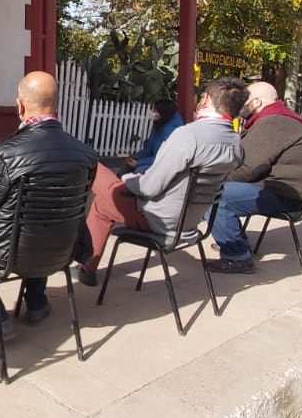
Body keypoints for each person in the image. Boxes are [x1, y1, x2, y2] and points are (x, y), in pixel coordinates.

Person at [0, 71, 97, 345]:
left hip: (11, 253)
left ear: (20, 106)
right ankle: (36, 303)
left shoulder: (4, 153)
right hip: (62, 250)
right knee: (44, 224)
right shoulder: (84, 154)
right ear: (56, 105)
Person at [74, 78, 246, 286]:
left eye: (201, 97)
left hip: (158, 218)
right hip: (189, 222)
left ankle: (86, 264)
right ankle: (86, 264)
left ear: (207, 100)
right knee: (106, 195)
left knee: (97, 179)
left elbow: (148, 188)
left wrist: (129, 178)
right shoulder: (236, 143)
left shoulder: (187, 136)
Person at [209, 81, 302, 274]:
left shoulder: (273, 121)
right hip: (293, 190)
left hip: (288, 194)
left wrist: (214, 179)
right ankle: (236, 244)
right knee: (219, 191)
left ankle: (237, 257)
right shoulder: (278, 118)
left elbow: (247, 169)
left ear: (257, 102)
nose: (239, 105)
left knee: (213, 194)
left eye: (244, 100)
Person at [111, 99, 184, 176]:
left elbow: (162, 157)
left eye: (155, 110)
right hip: (154, 159)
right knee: (126, 167)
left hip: (166, 163)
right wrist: (134, 157)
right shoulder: (159, 125)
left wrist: (138, 163)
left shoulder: (170, 131)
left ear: (163, 113)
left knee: (139, 171)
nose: (151, 111)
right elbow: (148, 149)